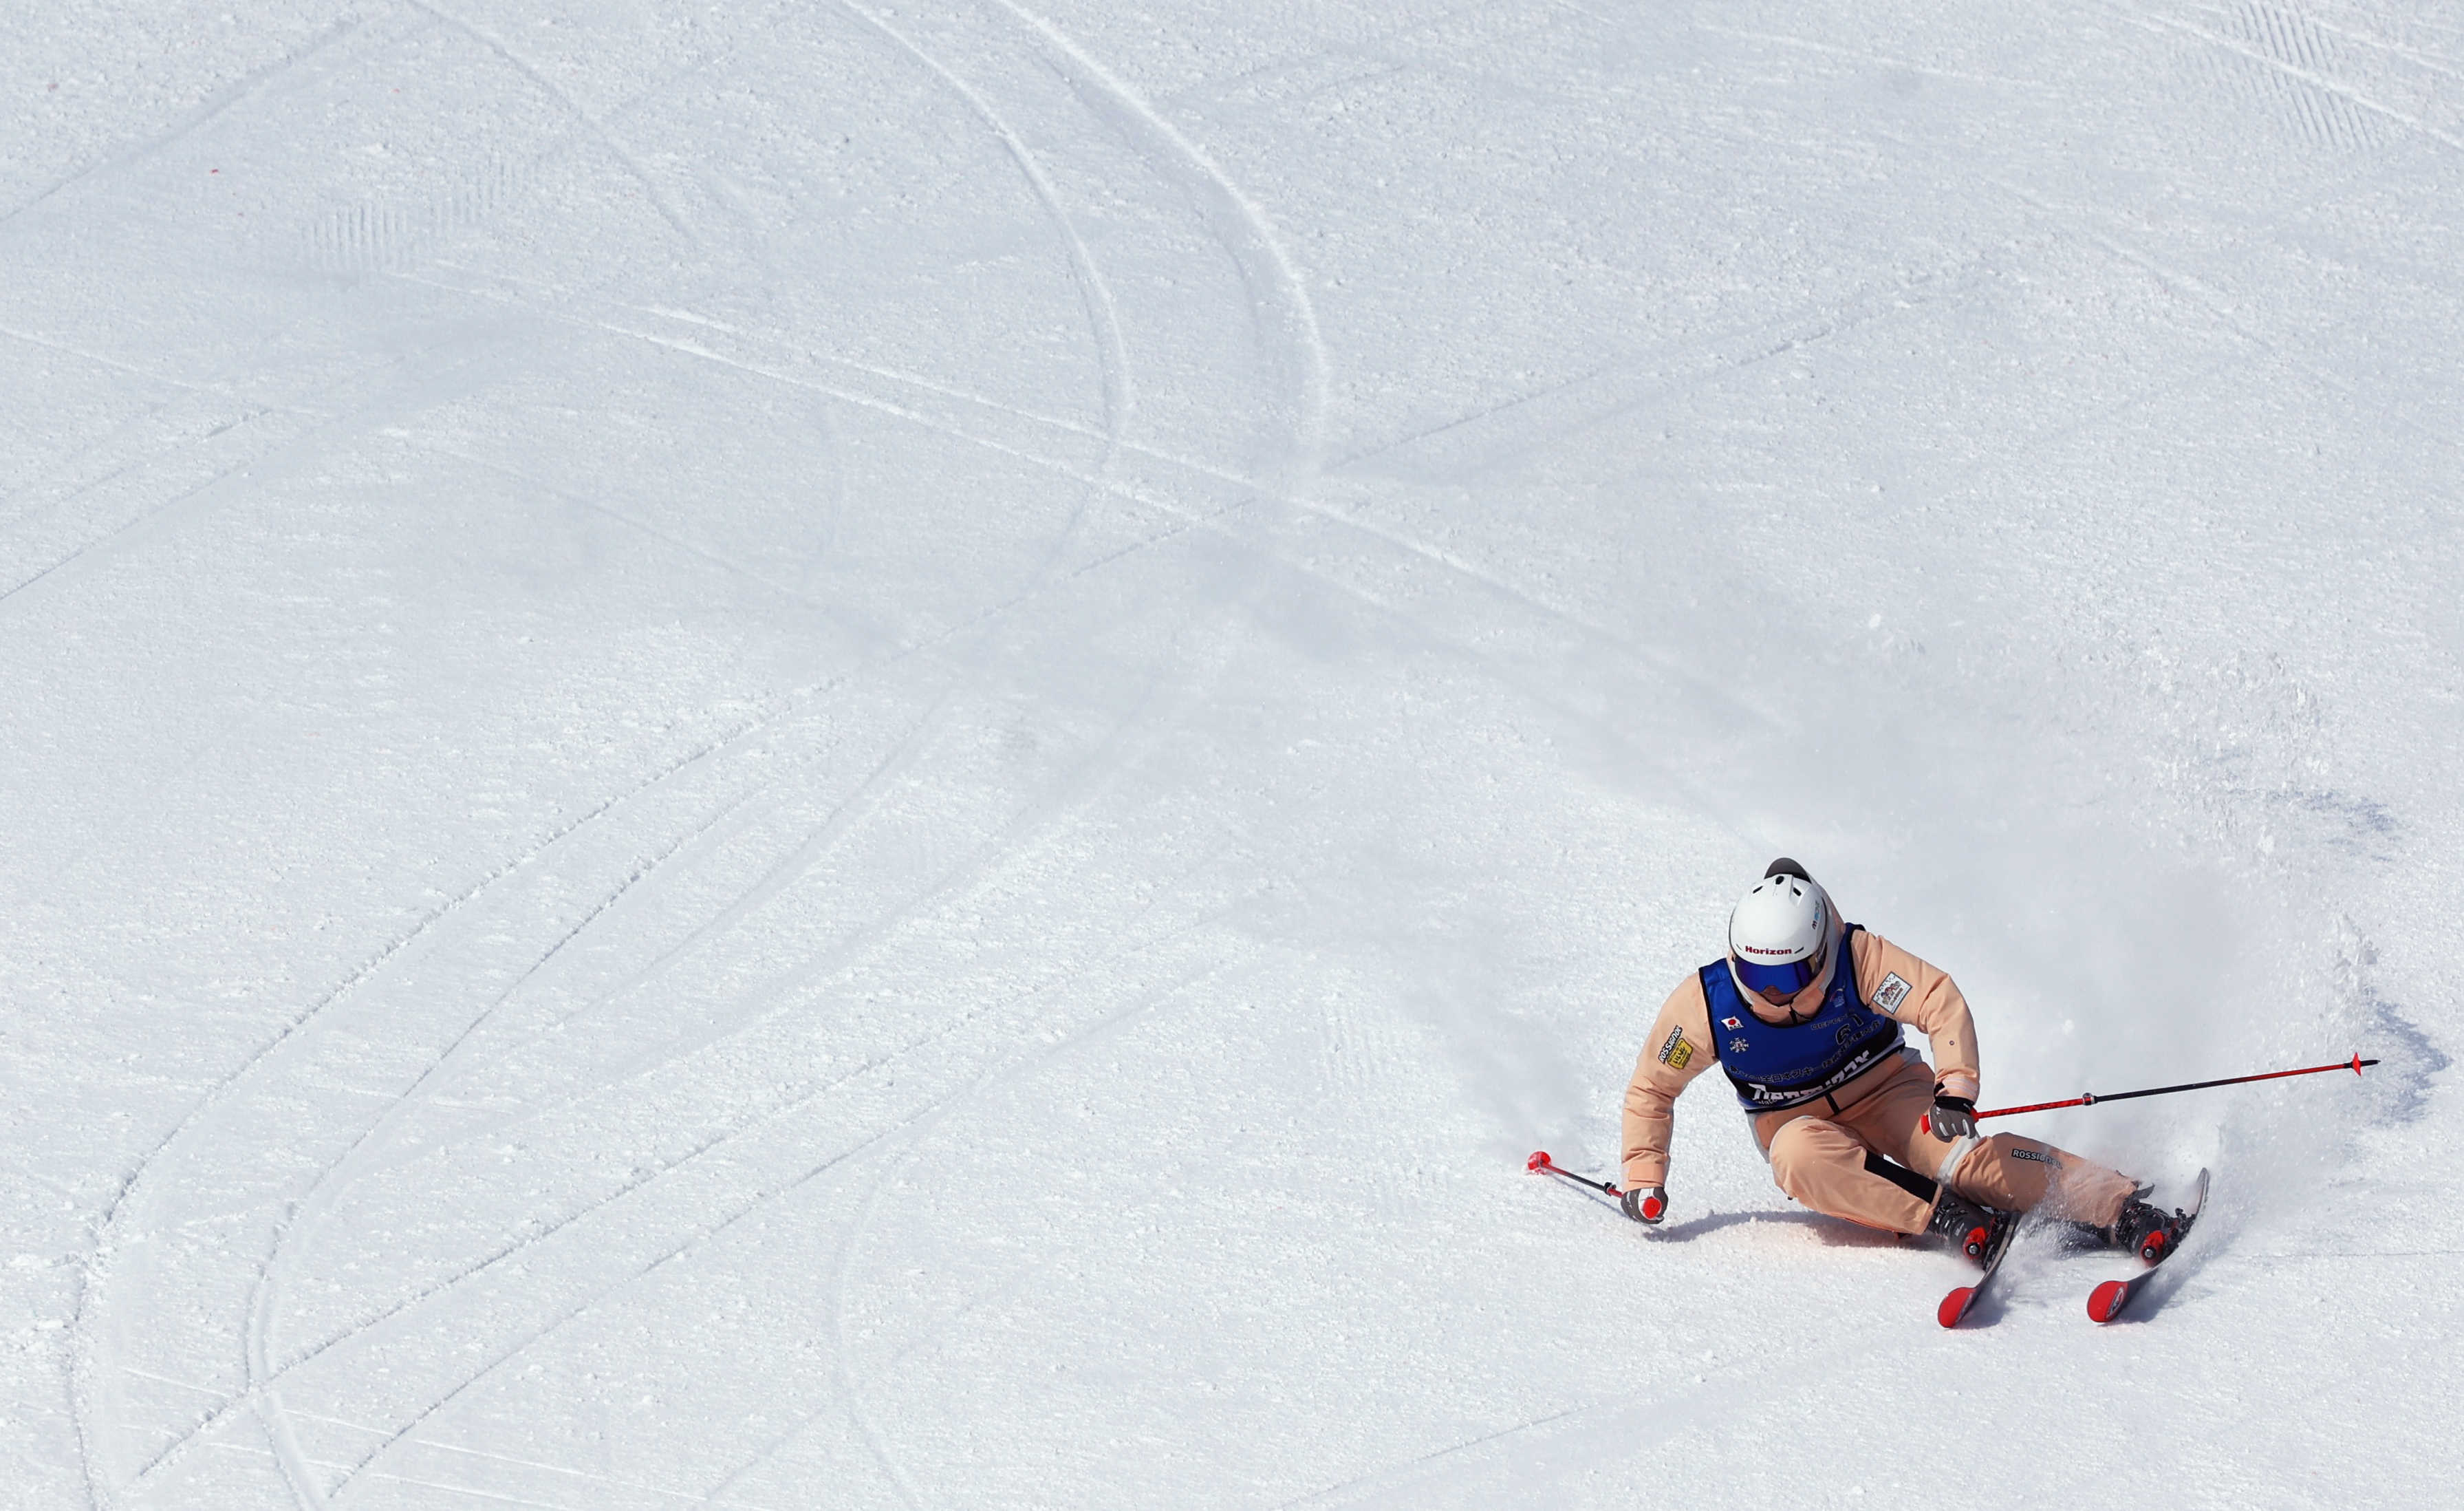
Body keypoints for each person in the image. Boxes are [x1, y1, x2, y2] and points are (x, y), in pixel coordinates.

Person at [1619, 858, 2180, 1262]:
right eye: (1756, 974)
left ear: (1817, 952)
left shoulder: (1856, 959)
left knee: (1960, 1159)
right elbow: (1653, 1089)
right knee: (1797, 1158)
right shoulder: (1708, 1005)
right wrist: (1644, 1177)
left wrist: (1954, 1088)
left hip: (1888, 1088)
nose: (1770, 994)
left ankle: (2117, 1205)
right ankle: (1948, 1216)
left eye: (1786, 976)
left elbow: (1936, 998)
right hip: (1796, 1123)